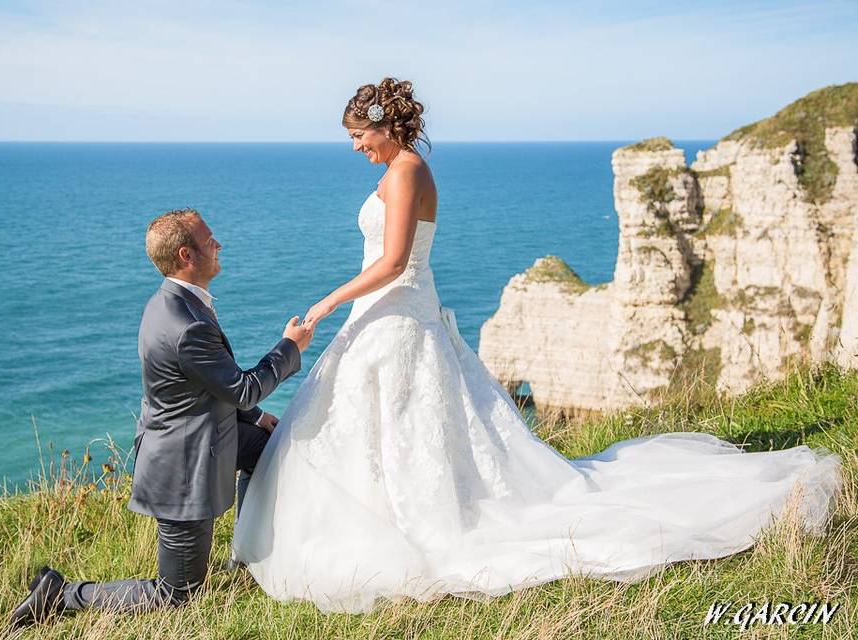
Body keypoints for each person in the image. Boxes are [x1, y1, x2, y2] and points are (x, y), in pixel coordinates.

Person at [231, 78, 842, 613]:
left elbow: (392, 261)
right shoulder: (399, 170)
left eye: (359, 135)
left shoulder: (408, 170)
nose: (356, 147)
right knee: (382, 424)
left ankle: (413, 525)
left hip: (397, 312)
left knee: (397, 419)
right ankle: (380, 517)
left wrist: (328, 302)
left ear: (386, 126)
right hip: (391, 314)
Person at [8, 208, 313, 629]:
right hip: (183, 467)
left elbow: (206, 387)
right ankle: (61, 595)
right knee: (176, 596)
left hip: (206, 436)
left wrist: (257, 418)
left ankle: (249, 553)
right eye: (210, 241)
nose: (219, 244)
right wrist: (289, 347)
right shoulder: (185, 323)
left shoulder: (178, 302)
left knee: (269, 453)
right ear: (187, 255)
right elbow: (241, 387)